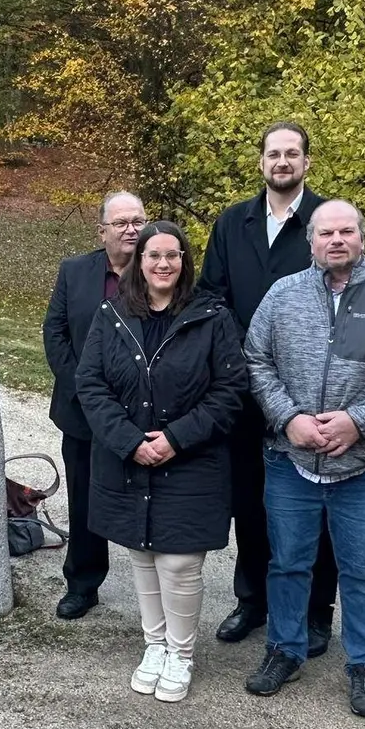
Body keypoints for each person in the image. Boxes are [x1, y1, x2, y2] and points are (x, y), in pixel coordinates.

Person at [242, 200, 365, 718]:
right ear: (311, 241)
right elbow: (256, 359)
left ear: (362, 237)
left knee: (363, 570)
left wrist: (359, 421)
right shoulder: (283, 295)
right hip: (291, 460)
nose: (336, 240)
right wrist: (288, 418)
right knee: (287, 563)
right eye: (326, 233)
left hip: (364, 464)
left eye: (347, 231)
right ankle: (285, 649)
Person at [75, 221, 247, 702]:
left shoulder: (212, 316)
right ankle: (154, 645)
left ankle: (181, 652)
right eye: (154, 255)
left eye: (173, 255)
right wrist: (130, 441)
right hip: (130, 457)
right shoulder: (112, 314)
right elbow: (91, 384)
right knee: (143, 554)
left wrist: (175, 438)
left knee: (179, 562)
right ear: (140, 261)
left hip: (191, 459)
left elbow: (230, 390)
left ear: (185, 261)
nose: (163, 263)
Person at [197, 121, 340, 656]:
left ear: (306, 162)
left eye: (292, 153)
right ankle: (252, 600)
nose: (283, 162)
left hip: (309, 390)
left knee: (315, 504)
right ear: (261, 162)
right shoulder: (233, 223)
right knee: (250, 501)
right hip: (242, 388)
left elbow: (340, 293)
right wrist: (245, 353)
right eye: (274, 153)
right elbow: (212, 295)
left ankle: (316, 612)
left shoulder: (325, 222)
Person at [42, 191, 144, 620]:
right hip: (82, 411)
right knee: (84, 497)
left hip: (139, 412)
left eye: (137, 221)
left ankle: (157, 593)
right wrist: (84, 389)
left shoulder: (158, 270)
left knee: (145, 498)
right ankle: (83, 584)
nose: (130, 230)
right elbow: (55, 332)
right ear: (102, 231)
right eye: (120, 223)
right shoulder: (75, 271)